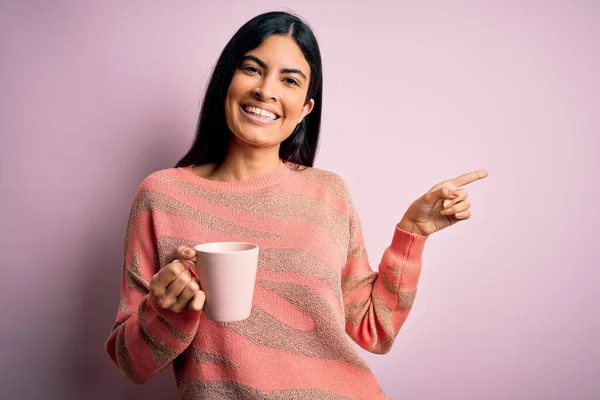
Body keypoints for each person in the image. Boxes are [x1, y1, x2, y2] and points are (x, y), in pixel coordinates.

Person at [105, 10, 488, 400]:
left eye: (289, 80)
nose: (266, 90)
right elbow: (131, 363)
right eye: (252, 69)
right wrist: (165, 310)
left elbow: (374, 329)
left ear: (306, 107)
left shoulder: (328, 194)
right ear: (227, 81)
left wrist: (413, 234)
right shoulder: (163, 197)